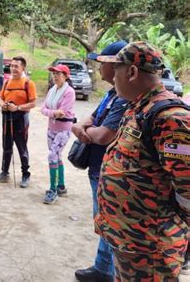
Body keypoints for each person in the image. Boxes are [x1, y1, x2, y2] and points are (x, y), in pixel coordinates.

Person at [94, 42, 190, 281]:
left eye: (115, 70)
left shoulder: (171, 118)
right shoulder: (138, 107)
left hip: (150, 248)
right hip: (130, 239)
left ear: (132, 72)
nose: (111, 78)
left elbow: (188, 190)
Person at [72, 40, 129, 282]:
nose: (97, 68)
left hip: (110, 173)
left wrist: (86, 132)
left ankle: (110, 271)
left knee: (111, 225)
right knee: (103, 222)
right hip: (98, 168)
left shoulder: (126, 99)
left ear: (116, 66)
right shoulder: (111, 94)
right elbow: (93, 117)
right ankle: (102, 268)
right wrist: (85, 127)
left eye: (102, 63)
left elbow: (106, 134)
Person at [0, 56, 37, 188]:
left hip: (21, 118)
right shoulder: (7, 83)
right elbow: (0, 98)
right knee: (6, 146)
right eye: (12, 66)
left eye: (16, 66)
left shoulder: (28, 83)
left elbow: (33, 103)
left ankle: (25, 174)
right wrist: (3, 105)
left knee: (21, 147)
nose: (13, 68)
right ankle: (5, 172)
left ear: (23, 68)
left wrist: (17, 107)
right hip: (7, 117)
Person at [41, 64, 75, 204]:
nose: (55, 76)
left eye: (58, 74)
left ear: (66, 76)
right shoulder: (52, 90)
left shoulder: (69, 92)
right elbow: (43, 108)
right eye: (54, 73)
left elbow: (63, 112)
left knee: (52, 155)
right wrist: (53, 112)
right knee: (57, 156)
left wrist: (50, 112)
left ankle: (53, 189)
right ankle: (61, 186)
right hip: (51, 128)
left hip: (64, 129)